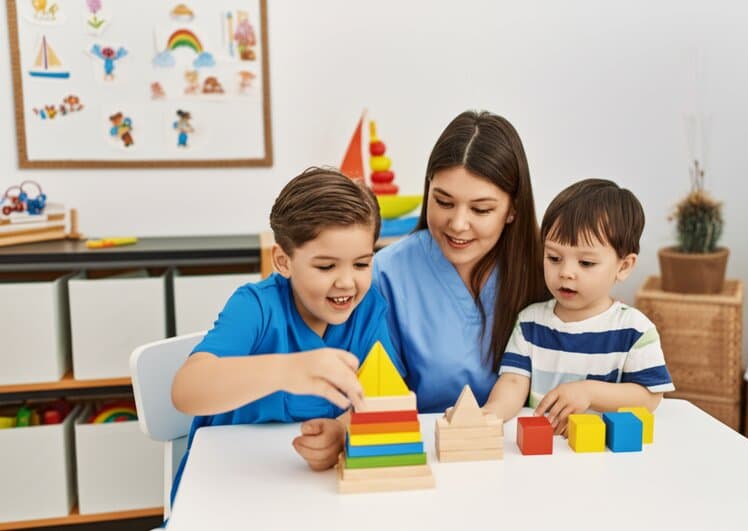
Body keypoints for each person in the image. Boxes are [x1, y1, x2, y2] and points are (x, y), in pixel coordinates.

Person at [170, 167, 405, 502]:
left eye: (361, 264)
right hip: (228, 489)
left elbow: (384, 397)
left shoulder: (368, 311)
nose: (346, 282)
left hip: (315, 495)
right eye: (326, 266)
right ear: (283, 261)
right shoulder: (255, 306)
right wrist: (287, 370)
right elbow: (186, 390)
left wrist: (341, 429)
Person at [373, 110, 550, 413]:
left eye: (480, 210)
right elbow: (379, 396)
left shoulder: (549, 270)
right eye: (443, 202)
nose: (457, 224)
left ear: (513, 209)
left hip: (526, 438)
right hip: (428, 437)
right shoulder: (387, 273)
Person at [483, 179, 675, 435]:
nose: (566, 272)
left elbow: (649, 397)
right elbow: (514, 381)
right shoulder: (531, 323)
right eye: (554, 258)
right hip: (543, 448)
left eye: (585, 263)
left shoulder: (634, 329)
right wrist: (491, 413)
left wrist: (589, 392)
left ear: (623, 266)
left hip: (601, 450)